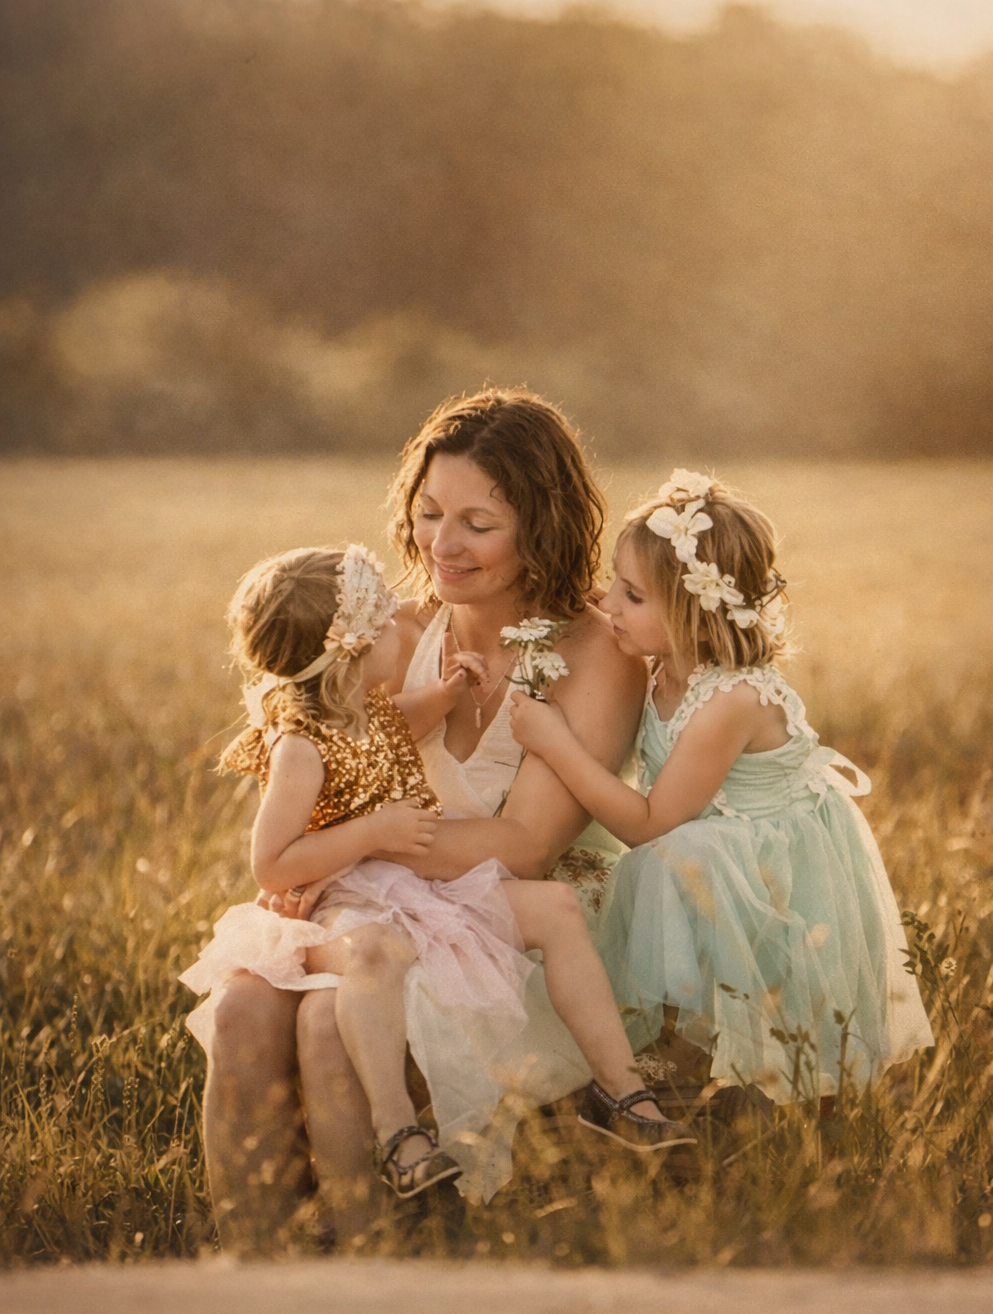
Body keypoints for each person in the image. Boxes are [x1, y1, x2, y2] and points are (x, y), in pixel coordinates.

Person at [194, 390, 652, 1247]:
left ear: (542, 526)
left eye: (479, 521)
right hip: (378, 905)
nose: (442, 544)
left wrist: (342, 858)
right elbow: (320, 774)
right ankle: (260, 1259)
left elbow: (523, 847)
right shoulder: (397, 632)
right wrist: (318, 861)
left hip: (518, 923)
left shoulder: (597, 650)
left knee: (331, 1018)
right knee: (242, 1010)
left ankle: (372, 1261)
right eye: (429, 512)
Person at [510, 468, 935, 1105]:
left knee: (674, 864)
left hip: (765, 861)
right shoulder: (664, 658)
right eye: (617, 585)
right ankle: (685, 1061)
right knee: (668, 871)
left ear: (692, 609)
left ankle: (707, 1078)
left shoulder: (728, 701)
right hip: (701, 846)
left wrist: (554, 743)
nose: (608, 606)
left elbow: (649, 825)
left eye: (631, 596)